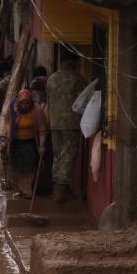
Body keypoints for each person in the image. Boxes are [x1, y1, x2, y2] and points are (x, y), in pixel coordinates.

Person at [46, 53, 86, 202]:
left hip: (55, 123)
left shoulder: (51, 79)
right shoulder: (77, 79)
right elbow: (83, 101)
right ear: (73, 63)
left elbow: (48, 101)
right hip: (72, 123)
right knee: (68, 155)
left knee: (58, 155)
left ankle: (58, 186)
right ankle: (60, 190)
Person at [6, 89, 48, 198]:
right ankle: (20, 190)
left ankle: (28, 191)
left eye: (28, 103)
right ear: (19, 102)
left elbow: (42, 129)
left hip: (30, 143)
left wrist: (42, 145)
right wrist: (8, 133)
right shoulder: (12, 107)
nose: (25, 105)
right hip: (15, 141)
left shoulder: (37, 110)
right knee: (16, 167)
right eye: (23, 103)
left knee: (29, 168)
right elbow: (7, 120)